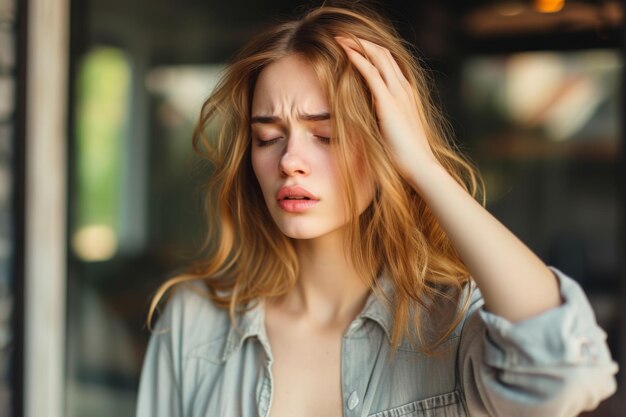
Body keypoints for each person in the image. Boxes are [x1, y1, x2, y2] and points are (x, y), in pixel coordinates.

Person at [136, 3, 618, 417]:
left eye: (327, 135)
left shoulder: (451, 328)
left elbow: (569, 374)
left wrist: (423, 168)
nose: (289, 162)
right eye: (268, 137)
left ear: (388, 145)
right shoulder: (192, 322)